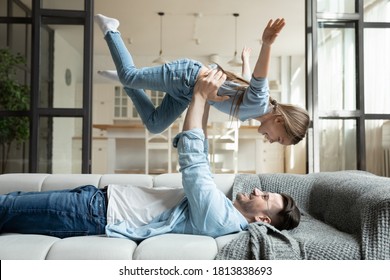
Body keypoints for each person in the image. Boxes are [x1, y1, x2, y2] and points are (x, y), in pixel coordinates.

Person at [0, 70, 301, 240]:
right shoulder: (223, 211)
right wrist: (205, 104)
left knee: (6, 208)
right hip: (97, 201)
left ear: (263, 217)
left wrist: (197, 95)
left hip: (91, 212)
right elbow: (203, 159)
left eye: (266, 197)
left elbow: (194, 164)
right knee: (10, 203)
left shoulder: (221, 218)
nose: (258, 189)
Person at [95, 14, 310, 145]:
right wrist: (267, 44)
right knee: (130, 75)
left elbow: (247, 79)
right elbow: (259, 78)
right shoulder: (260, 104)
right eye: (279, 139)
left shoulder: (254, 110)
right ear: (280, 121)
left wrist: (245, 60)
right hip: (187, 78)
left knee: (155, 125)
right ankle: (111, 29)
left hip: (189, 93)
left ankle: (129, 83)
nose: (272, 141)